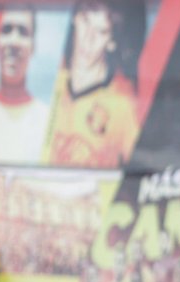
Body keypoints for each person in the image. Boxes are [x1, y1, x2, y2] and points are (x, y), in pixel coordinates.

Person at [46, 0, 145, 168]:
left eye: (101, 31)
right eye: (86, 21)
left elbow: (142, 167)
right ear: (75, 18)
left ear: (112, 42)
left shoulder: (124, 103)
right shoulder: (48, 76)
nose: (88, 39)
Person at [0, 8, 51, 165]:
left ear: (33, 46)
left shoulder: (47, 120)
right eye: (6, 30)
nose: (14, 41)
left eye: (23, 32)